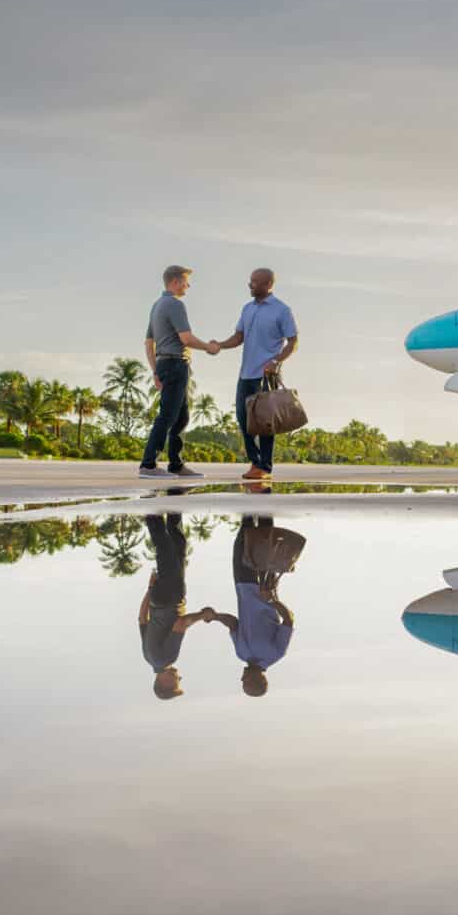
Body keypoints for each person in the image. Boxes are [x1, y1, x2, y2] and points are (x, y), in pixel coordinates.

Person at [209, 266, 298, 483]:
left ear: (268, 284)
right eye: (250, 281)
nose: (250, 285)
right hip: (245, 373)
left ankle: (264, 466)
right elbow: (238, 337)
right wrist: (220, 345)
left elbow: (293, 342)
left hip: (267, 375)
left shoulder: (282, 310)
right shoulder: (247, 309)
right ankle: (255, 461)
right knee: (243, 418)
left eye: (255, 281)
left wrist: (276, 361)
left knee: (266, 422)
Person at [191, 513, 296, 696]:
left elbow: (233, 623)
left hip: (241, 584)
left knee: (242, 540)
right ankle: (263, 493)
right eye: (245, 682)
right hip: (264, 585)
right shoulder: (276, 654)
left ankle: (249, 503)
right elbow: (288, 619)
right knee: (265, 538)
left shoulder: (241, 654)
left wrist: (215, 617)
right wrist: (272, 600)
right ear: (257, 680)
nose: (241, 678)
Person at [140, 264, 219, 478]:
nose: (188, 285)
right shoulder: (174, 304)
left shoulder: (157, 306)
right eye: (185, 281)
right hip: (175, 364)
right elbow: (186, 338)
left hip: (166, 364)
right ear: (175, 282)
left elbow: (149, 344)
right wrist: (209, 348)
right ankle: (148, 465)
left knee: (182, 417)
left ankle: (176, 464)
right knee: (167, 415)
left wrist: (156, 371)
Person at [137, 512, 193, 700]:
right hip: (160, 598)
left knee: (166, 549)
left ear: (165, 683)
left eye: (177, 681)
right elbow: (141, 619)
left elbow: (181, 624)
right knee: (177, 549)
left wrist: (204, 615)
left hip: (170, 598)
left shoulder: (167, 658)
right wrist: (150, 589)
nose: (179, 677)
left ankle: (151, 510)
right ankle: (174, 500)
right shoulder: (148, 657)